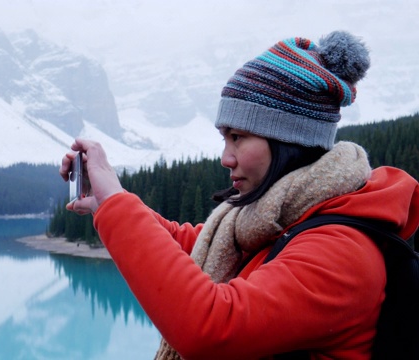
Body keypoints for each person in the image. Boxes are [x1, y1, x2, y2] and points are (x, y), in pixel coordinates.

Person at [60, 31, 419, 359]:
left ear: (289, 139)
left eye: (238, 137)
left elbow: (212, 328)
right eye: (224, 138)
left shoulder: (341, 251)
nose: (225, 158)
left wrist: (118, 205)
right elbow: (192, 245)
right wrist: (108, 200)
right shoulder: (277, 219)